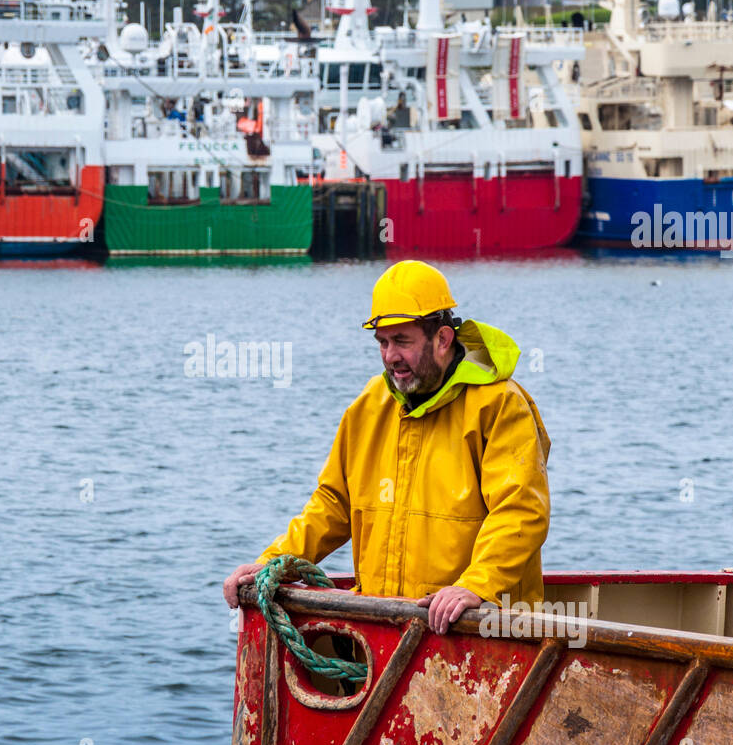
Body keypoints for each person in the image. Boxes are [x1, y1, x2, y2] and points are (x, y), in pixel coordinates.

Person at [223, 261, 551, 634]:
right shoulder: (369, 404)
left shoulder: (499, 405)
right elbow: (332, 505)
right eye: (382, 342)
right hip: (385, 632)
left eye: (402, 342)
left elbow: (520, 511)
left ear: (443, 339)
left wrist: (476, 585)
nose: (390, 356)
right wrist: (273, 562)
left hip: (479, 632)